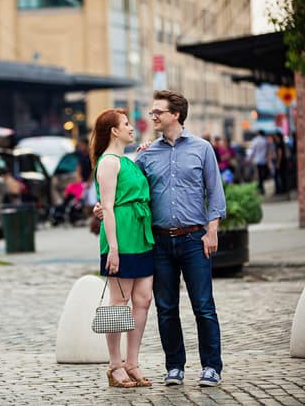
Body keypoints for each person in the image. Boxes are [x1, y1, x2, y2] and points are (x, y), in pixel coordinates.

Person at [135, 90, 227, 387]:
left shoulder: (202, 149)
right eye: (152, 112)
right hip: (160, 242)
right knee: (166, 308)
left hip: (193, 239)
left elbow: (215, 193)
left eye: (158, 112)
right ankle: (175, 366)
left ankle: (211, 367)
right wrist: (103, 207)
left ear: (176, 114)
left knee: (203, 305)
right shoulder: (147, 154)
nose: (153, 116)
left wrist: (211, 231)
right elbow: (131, 191)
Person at [91, 108, 155, 389]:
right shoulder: (108, 162)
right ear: (114, 131)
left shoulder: (128, 160)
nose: (132, 127)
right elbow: (107, 206)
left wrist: (143, 155)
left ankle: (133, 362)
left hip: (141, 234)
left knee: (143, 299)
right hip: (121, 237)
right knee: (119, 303)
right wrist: (113, 248)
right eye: (126, 124)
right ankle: (114, 365)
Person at [249, 130, 269, 195]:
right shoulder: (265, 141)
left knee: (259, 175)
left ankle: (260, 187)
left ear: (258, 133)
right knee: (262, 175)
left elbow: (252, 150)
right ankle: (261, 187)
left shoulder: (255, 140)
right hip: (264, 160)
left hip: (257, 160)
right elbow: (267, 151)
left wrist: (249, 158)